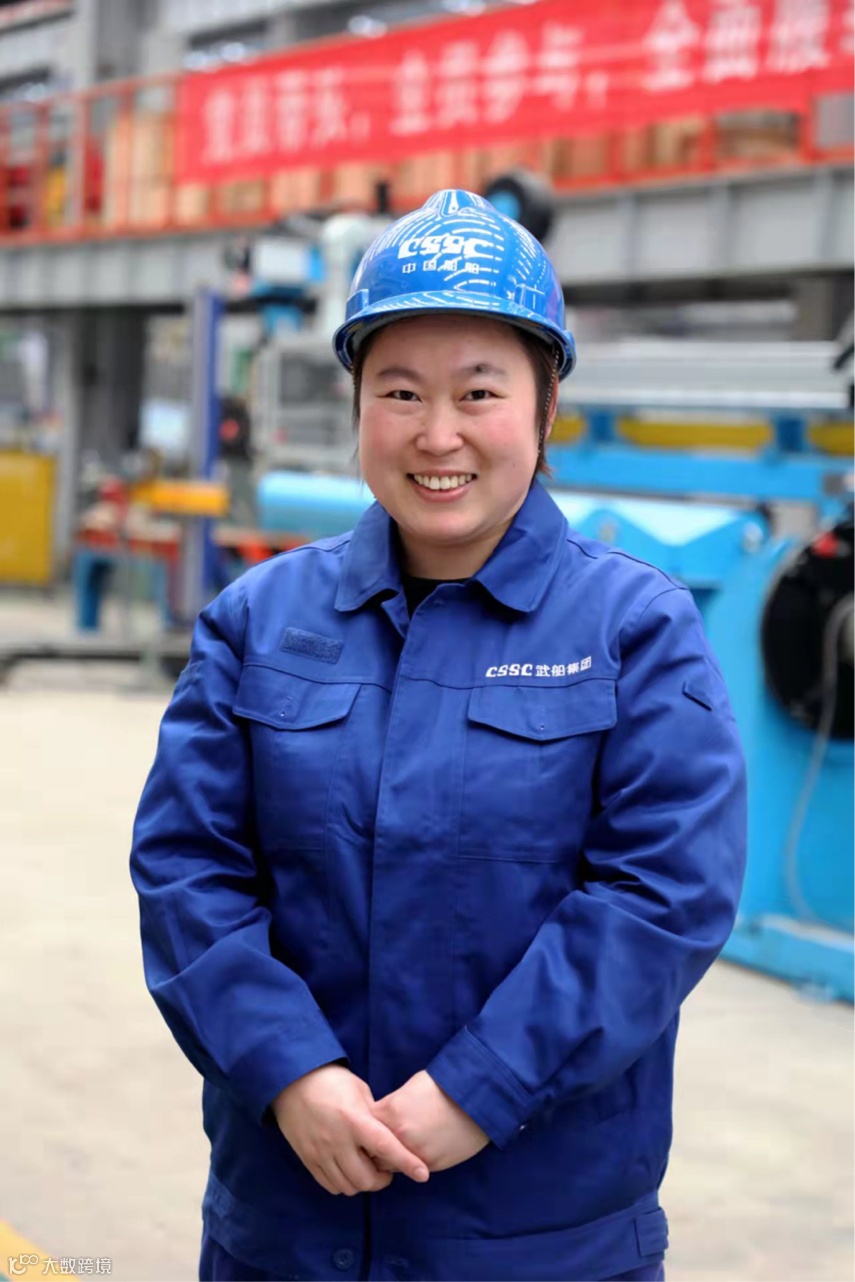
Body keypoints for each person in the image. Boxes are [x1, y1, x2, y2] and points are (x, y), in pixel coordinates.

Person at [130, 189, 747, 1282]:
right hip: (289, 1219)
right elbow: (187, 869)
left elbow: (662, 896)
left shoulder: (634, 628)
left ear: (546, 404)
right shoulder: (256, 621)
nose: (438, 433)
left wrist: (482, 1087)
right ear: (358, 402)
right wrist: (289, 1071)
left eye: (479, 391)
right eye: (401, 391)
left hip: (540, 1237)